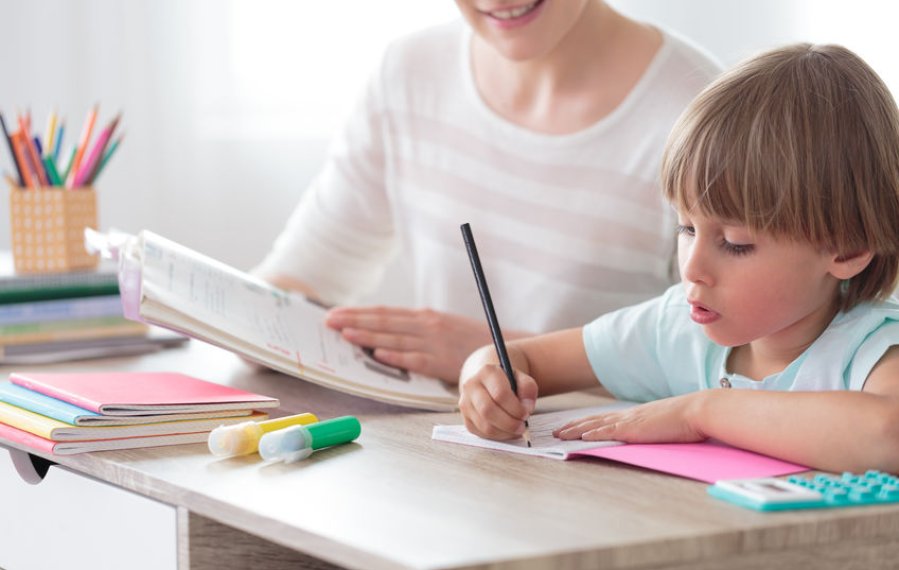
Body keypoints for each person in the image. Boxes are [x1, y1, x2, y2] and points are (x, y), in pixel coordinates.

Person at [458, 43, 899, 473]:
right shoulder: (677, 328)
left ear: (848, 248)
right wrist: (485, 380)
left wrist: (701, 411)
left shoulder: (873, 348)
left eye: (735, 243)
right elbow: (520, 359)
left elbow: (888, 435)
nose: (691, 269)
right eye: (687, 228)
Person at [253, 1, 721, 382]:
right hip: (440, 449)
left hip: (603, 471)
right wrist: (235, 322)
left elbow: (731, 365)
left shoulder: (702, 115)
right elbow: (304, 275)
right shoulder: (408, 73)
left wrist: (508, 354)